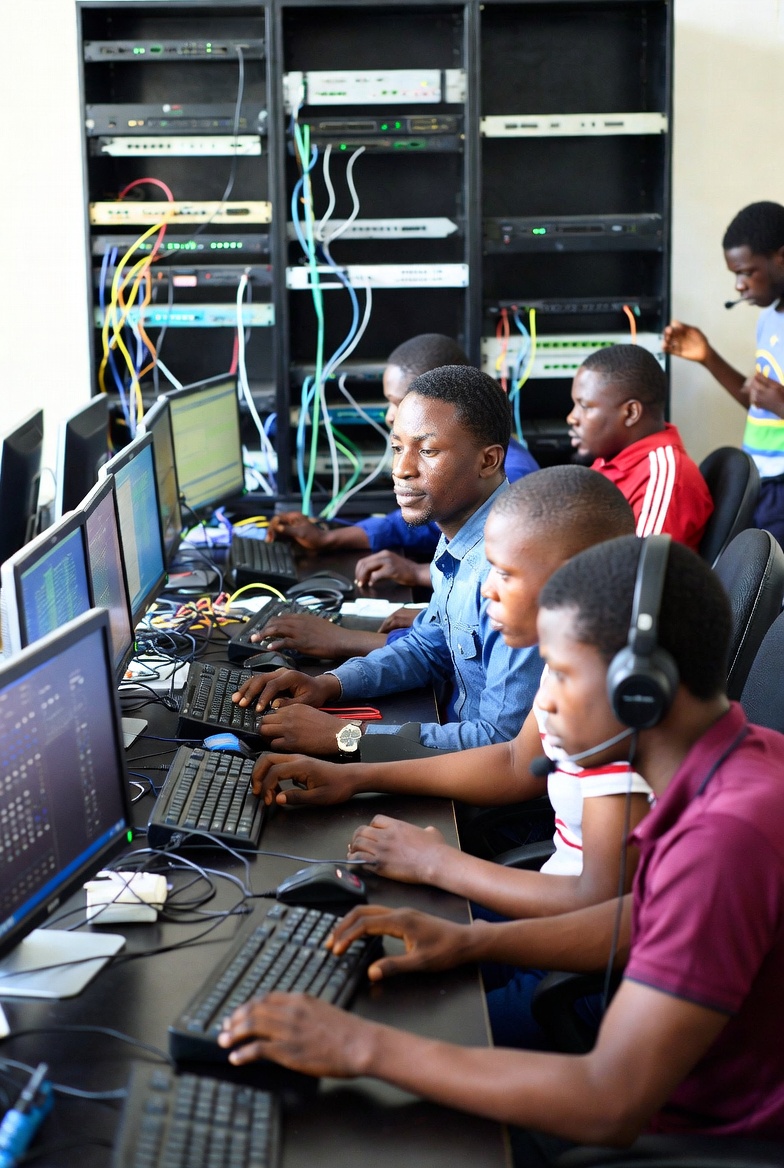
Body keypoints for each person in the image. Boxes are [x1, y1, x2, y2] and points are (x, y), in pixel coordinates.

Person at [218, 535, 784, 1153]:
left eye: (560, 673)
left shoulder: (724, 837)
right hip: (653, 1068)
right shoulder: (741, 760)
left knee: (349, 1113)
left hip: (683, 1132)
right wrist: (473, 940)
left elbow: (609, 1101)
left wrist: (362, 1046)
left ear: (639, 690)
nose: (545, 701)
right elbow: (646, 917)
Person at [248, 468, 647, 1049]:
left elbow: (599, 903)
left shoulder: (616, 705)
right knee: (348, 956)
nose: (486, 591)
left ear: (574, 580)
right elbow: (513, 760)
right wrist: (354, 776)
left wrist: (441, 866)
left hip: (582, 979)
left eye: (504, 575)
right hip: (544, 911)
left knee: (388, 1014)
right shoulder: (575, 662)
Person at [233, 367, 543, 755]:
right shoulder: (460, 535)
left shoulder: (511, 569)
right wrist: (329, 684)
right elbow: (429, 648)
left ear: (488, 461)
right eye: (398, 448)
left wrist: (346, 736)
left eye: (427, 451)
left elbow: (503, 744)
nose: (401, 469)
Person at [266, 333, 538, 591]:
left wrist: (417, 573)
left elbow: (490, 575)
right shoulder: (453, 491)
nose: (389, 415)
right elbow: (415, 528)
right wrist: (328, 538)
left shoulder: (513, 480)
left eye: (399, 402)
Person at [663, 200, 784, 546]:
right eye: (735, 275)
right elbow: (760, 406)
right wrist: (708, 357)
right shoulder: (769, 319)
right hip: (762, 478)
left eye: (746, 272)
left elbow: (776, 405)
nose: (739, 286)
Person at [567, 344, 713, 550]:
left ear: (631, 413)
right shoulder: (609, 458)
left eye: (585, 406)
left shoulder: (664, 479)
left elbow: (639, 565)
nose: (572, 417)